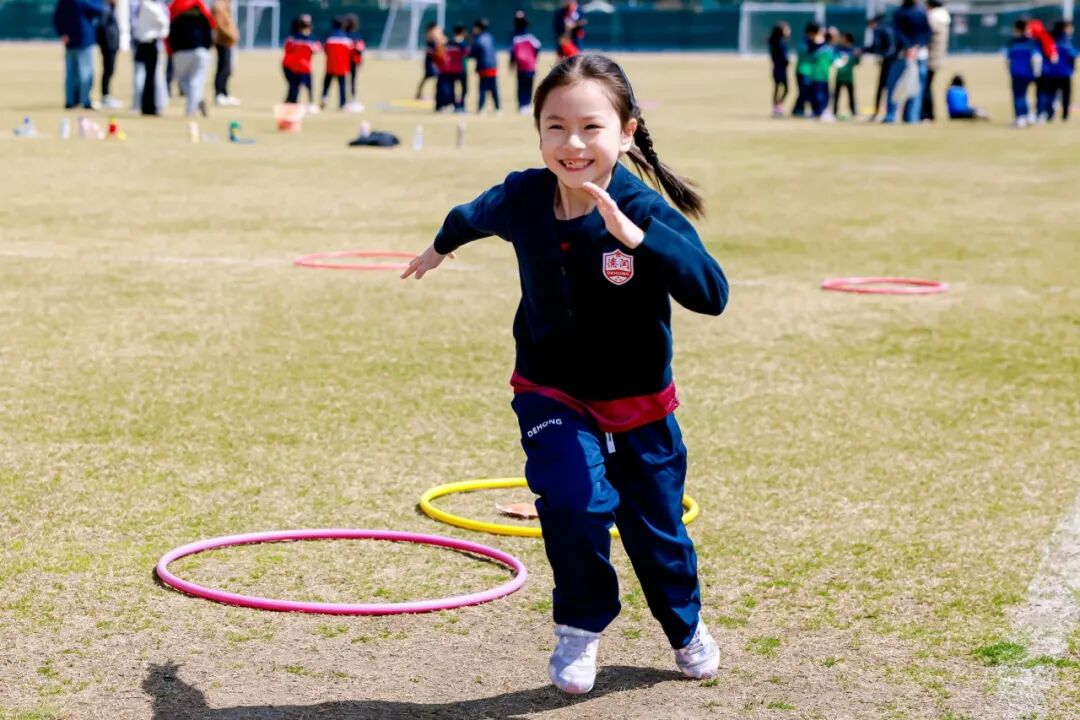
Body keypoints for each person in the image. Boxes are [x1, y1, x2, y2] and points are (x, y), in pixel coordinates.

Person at [400, 53, 728, 696]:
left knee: (655, 529)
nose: (572, 144)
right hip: (551, 388)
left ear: (626, 132)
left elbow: (711, 292)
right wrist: (437, 249)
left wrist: (638, 239)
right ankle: (580, 626)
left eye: (591, 128)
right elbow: (471, 215)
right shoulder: (524, 196)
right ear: (539, 132)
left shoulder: (641, 209)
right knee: (575, 500)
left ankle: (684, 626)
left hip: (639, 400)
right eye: (555, 127)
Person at [883, 0, 930, 124]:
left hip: (913, 54)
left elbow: (926, 32)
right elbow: (899, 32)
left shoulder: (917, 12)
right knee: (901, 86)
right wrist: (912, 46)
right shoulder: (906, 12)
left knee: (912, 87)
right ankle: (897, 116)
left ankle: (907, 116)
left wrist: (913, 47)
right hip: (906, 54)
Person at [53, 0, 104, 109]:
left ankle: (70, 101)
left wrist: (62, 33)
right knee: (85, 72)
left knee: (71, 73)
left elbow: (57, 17)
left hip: (71, 41)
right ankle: (85, 101)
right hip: (83, 40)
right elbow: (99, 9)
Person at [168, 0, 215, 117]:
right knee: (196, 81)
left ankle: (191, 110)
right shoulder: (203, 18)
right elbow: (210, 35)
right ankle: (196, 102)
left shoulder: (177, 18)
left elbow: (171, 36)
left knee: (183, 81)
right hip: (201, 51)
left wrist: (173, 50)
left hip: (181, 53)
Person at [133, 0, 169, 115]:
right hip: (149, 44)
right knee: (150, 77)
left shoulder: (142, 5)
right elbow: (164, 20)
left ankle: (147, 106)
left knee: (147, 76)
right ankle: (149, 106)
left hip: (144, 43)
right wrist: (162, 32)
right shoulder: (149, 5)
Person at [282, 14, 320, 108]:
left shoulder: (293, 37)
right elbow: (317, 49)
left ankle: (290, 102)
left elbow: (287, 47)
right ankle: (302, 103)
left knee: (294, 86)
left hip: (292, 65)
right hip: (300, 66)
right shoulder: (309, 39)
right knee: (302, 85)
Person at [1007, 18, 1039, 127]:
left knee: (1018, 96)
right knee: (1023, 95)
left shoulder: (1013, 43)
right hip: (1028, 73)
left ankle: (1020, 117)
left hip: (1017, 73)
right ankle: (1027, 116)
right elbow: (1036, 58)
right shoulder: (1031, 42)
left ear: (1017, 29)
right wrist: (1036, 73)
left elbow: (1008, 59)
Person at [922, 0, 950, 121]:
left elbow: (925, 34)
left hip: (931, 57)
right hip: (937, 57)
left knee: (925, 87)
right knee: (927, 86)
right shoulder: (942, 19)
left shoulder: (933, 19)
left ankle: (927, 114)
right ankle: (928, 113)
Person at [864, 14, 895, 120]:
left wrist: (863, 51)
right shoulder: (889, 27)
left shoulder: (878, 30)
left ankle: (878, 112)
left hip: (887, 61)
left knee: (881, 87)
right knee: (893, 87)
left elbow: (875, 46)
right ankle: (893, 112)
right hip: (895, 60)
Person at [1043, 20, 1075, 121]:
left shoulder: (1050, 39)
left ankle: (1050, 114)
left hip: (1051, 72)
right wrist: (1072, 68)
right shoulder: (1066, 41)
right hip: (1064, 73)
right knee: (1066, 95)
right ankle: (1065, 115)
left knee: (1051, 94)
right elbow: (1072, 56)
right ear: (1065, 28)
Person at [509, 13, 542, 115]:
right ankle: (526, 105)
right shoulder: (530, 37)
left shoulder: (514, 38)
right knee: (528, 85)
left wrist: (511, 63)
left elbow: (512, 52)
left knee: (521, 86)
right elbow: (538, 47)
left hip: (521, 66)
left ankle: (522, 105)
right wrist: (534, 59)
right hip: (530, 65)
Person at [211, 0, 239, 106]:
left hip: (228, 42)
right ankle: (219, 94)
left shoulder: (226, 8)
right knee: (223, 67)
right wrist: (230, 35)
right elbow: (220, 25)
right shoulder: (219, 7)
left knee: (227, 68)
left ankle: (225, 93)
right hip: (223, 41)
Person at [321, 16, 352, 110]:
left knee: (326, 84)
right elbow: (350, 52)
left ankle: (324, 97)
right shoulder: (346, 39)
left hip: (330, 65)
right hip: (342, 66)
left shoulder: (329, 38)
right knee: (342, 86)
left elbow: (325, 49)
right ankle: (342, 104)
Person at [470, 18, 499, 113]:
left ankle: (481, 108)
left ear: (478, 28)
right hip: (493, 66)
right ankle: (498, 108)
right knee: (493, 88)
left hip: (484, 67)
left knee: (483, 88)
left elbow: (473, 53)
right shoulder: (490, 37)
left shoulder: (478, 39)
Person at [791, 22, 819, 117]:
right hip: (802, 71)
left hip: (809, 71)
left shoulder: (812, 42)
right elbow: (806, 53)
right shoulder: (806, 43)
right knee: (804, 91)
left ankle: (800, 109)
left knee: (807, 91)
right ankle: (798, 109)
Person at [97, 0, 122, 108]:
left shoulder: (111, 9)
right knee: (108, 70)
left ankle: (106, 96)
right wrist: (107, 43)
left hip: (112, 44)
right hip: (108, 45)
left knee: (110, 70)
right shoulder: (105, 9)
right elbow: (102, 28)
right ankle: (105, 96)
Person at [833, 32, 859, 118]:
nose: (841, 39)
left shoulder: (853, 50)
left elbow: (857, 63)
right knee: (836, 96)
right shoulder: (837, 49)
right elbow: (834, 60)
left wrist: (857, 56)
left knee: (851, 96)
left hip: (849, 77)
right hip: (839, 77)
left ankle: (853, 112)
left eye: (843, 37)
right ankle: (834, 112)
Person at [768, 22, 790, 117]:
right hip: (780, 68)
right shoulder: (780, 43)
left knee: (778, 88)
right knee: (785, 88)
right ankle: (777, 107)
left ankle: (777, 106)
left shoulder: (776, 42)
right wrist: (786, 62)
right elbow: (783, 57)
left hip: (777, 68)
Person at [344, 14, 365, 111]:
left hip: (351, 60)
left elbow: (360, 49)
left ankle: (350, 99)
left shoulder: (350, 35)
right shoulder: (351, 35)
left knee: (350, 80)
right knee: (350, 80)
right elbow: (360, 49)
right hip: (349, 60)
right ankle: (349, 99)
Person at [416, 22, 441, 100]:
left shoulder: (433, 37)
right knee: (432, 77)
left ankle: (419, 93)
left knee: (429, 78)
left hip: (433, 60)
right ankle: (419, 94)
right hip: (430, 61)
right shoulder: (430, 36)